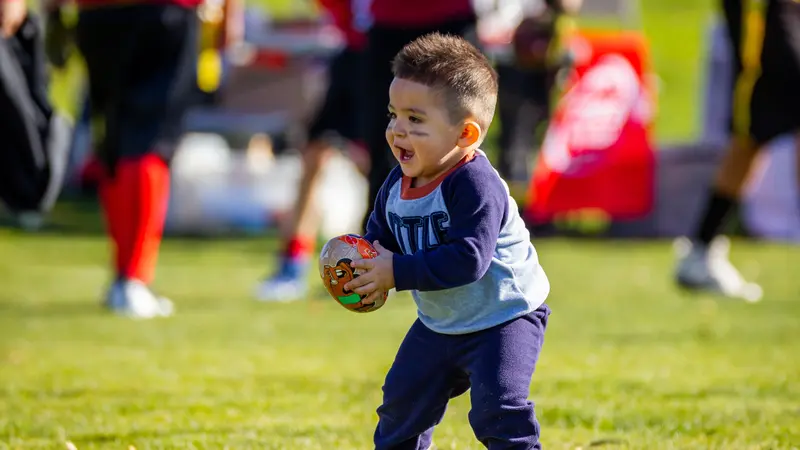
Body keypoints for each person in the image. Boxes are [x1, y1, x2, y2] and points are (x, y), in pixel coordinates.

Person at [343, 34, 551, 449]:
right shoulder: (396, 183)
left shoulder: (475, 185)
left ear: (465, 134)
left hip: (504, 316)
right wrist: (361, 267)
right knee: (402, 404)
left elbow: (468, 260)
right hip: (442, 323)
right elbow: (382, 239)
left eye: (415, 120)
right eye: (393, 115)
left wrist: (395, 272)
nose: (397, 130)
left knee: (499, 410)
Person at [45, 0, 205, 318]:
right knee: (150, 140)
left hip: (97, 14)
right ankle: (133, 279)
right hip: (165, 11)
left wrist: (53, 11)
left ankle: (122, 279)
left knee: (115, 138)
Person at [674, 0, 800, 302]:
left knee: (754, 135)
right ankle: (701, 250)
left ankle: (702, 248)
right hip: (760, 10)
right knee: (755, 125)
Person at [255, 0, 369, 301]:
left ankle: (380, 261)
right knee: (314, 156)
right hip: (352, 58)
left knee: (383, 165)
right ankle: (292, 265)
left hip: (388, 57)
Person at [360, 0, 482, 230]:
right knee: (386, 143)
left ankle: (468, 227)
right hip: (388, 28)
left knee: (460, 143)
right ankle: (381, 238)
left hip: (450, 24)